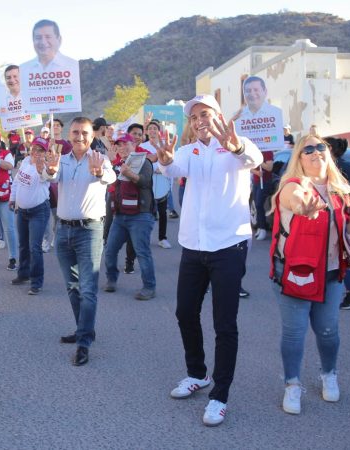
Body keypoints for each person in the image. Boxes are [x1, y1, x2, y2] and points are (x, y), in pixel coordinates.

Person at [156, 95, 263, 426]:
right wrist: (165, 159)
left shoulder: (237, 145)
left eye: (205, 114)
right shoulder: (191, 151)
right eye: (194, 116)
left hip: (229, 246)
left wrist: (234, 146)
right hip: (193, 245)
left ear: (219, 116)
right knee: (185, 312)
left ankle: (220, 395)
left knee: (224, 323)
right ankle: (197, 373)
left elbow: (253, 158)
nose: (200, 120)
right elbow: (172, 166)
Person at [268, 134, 350, 415]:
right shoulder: (293, 185)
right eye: (307, 149)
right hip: (293, 273)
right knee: (294, 333)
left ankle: (329, 374)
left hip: (331, 273)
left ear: (329, 153)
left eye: (320, 147)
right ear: (298, 158)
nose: (315, 152)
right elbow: (295, 200)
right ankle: (292, 384)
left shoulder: (342, 190)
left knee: (328, 331)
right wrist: (305, 207)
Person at [43, 117, 116, 366]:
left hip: (90, 230)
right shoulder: (60, 159)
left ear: (91, 135)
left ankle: (84, 342)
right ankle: (83, 328)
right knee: (72, 286)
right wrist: (51, 170)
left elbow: (110, 177)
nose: (79, 137)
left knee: (87, 289)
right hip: (63, 230)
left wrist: (99, 172)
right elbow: (49, 177)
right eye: (75, 132)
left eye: (84, 133)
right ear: (69, 134)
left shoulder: (99, 159)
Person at [103, 133, 157, 300]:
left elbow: (146, 182)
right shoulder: (118, 164)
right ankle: (111, 280)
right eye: (119, 145)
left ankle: (149, 287)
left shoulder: (145, 162)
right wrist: (111, 164)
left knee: (142, 252)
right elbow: (109, 183)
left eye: (126, 144)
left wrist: (130, 174)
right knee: (110, 250)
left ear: (134, 145)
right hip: (120, 216)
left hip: (140, 216)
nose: (123, 147)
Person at [325, 136, 350, 310]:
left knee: (341, 253)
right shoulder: (347, 166)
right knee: (340, 253)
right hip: (346, 216)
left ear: (330, 151)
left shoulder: (337, 169)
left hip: (342, 217)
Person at [10, 136, 51, 295]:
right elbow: (17, 182)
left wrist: (43, 170)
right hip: (22, 211)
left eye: (40, 150)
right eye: (34, 148)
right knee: (23, 244)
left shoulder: (46, 167)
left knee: (35, 247)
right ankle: (23, 274)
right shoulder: (26, 161)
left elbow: (48, 177)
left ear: (46, 153)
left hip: (38, 211)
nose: (36, 152)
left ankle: (36, 282)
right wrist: (13, 199)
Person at [140, 120, 173, 249]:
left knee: (162, 212)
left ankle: (162, 238)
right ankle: (145, 238)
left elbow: (170, 162)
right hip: (148, 184)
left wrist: (163, 168)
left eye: (155, 128)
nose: (152, 130)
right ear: (147, 131)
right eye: (150, 128)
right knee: (147, 213)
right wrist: (154, 169)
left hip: (162, 184)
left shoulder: (164, 145)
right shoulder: (143, 146)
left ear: (159, 131)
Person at [42, 119, 72, 252]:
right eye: (52, 126)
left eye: (58, 125)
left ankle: (56, 234)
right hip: (44, 180)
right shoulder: (44, 142)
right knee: (43, 213)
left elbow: (69, 160)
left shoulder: (66, 144)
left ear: (61, 128)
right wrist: (48, 147)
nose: (55, 127)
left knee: (56, 213)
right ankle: (44, 240)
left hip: (57, 182)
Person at [0, 131, 18, 270]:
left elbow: (9, 166)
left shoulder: (5, 153)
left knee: (9, 227)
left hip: (4, 196)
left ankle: (13, 258)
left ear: (0, 142)